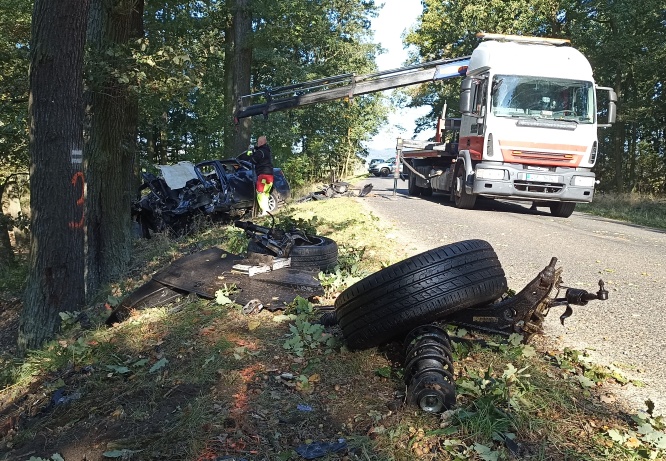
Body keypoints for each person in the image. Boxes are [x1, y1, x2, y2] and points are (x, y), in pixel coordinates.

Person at [246, 135, 274, 215]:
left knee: (260, 193)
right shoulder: (266, 151)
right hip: (270, 176)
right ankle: (267, 210)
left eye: (258, 142)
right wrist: (254, 149)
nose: (257, 143)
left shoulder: (260, 152)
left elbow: (253, 160)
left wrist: (250, 152)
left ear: (261, 142)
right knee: (266, 193)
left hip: (263, 175)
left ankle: (265, 211)